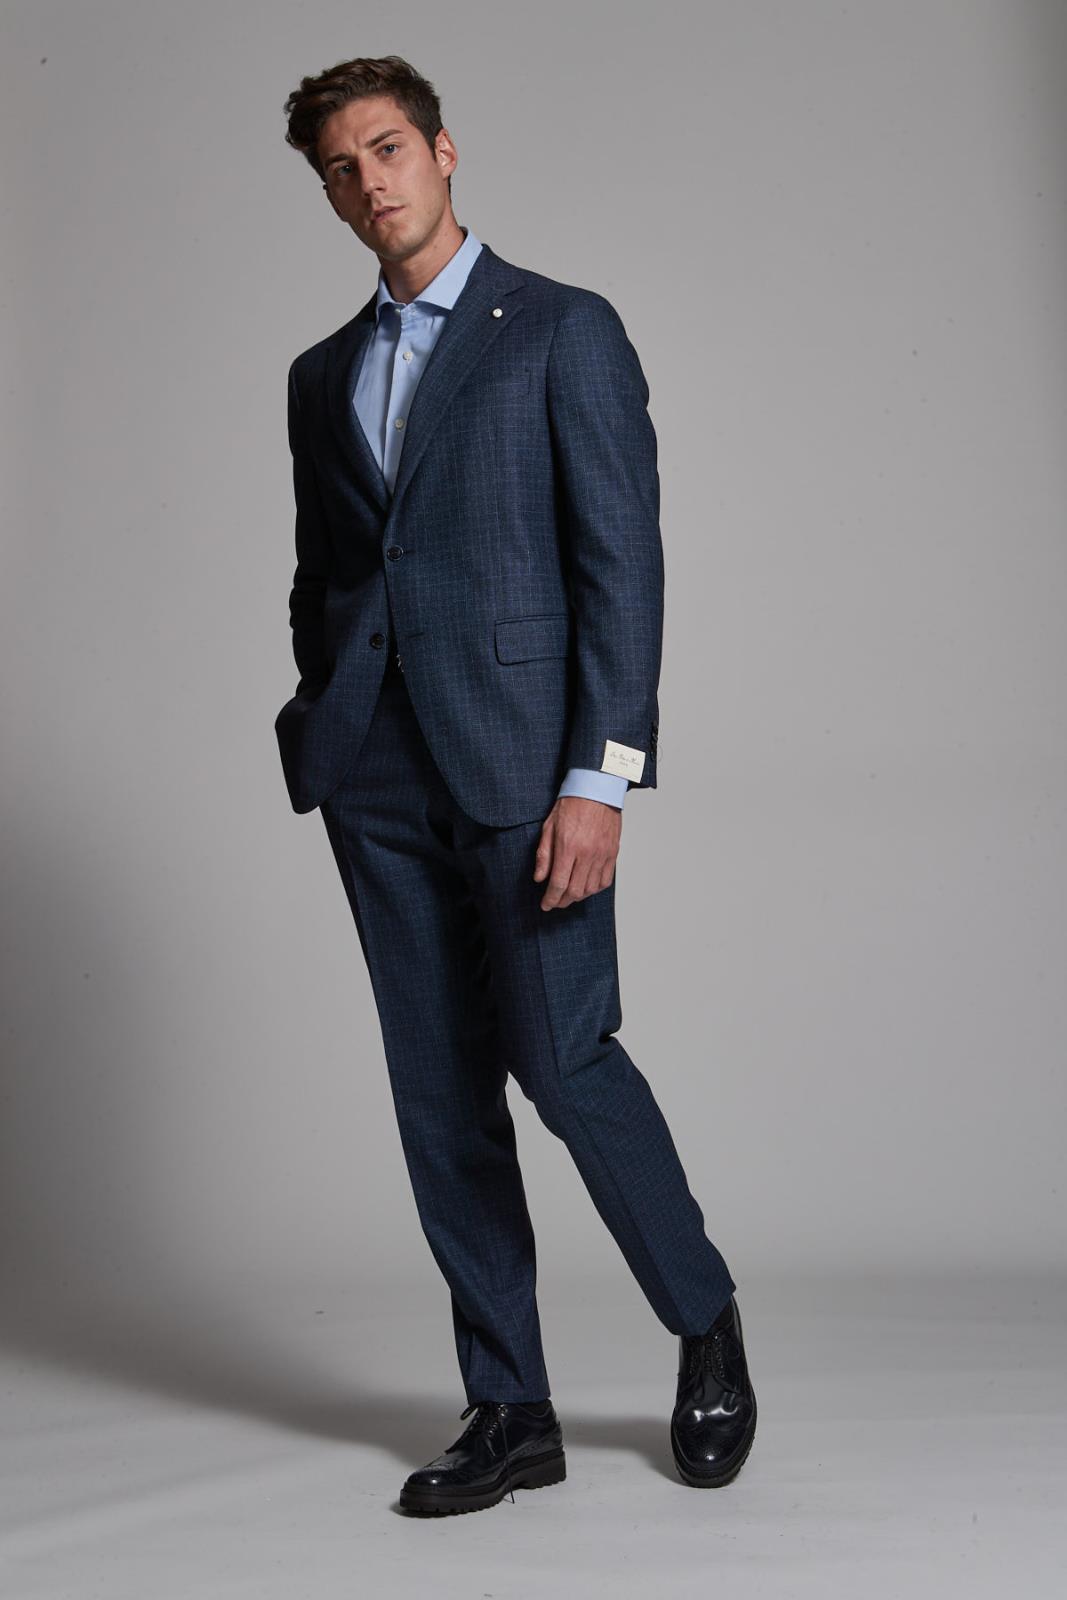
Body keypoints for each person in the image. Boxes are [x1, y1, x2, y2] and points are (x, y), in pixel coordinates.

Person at [276, 53, 756, 1515]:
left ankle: (704, 1320)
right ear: (330, 195)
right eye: (342, 168)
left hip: (529, 769)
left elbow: (623, 565)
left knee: (565, 1062)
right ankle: (509, 1407)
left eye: (388, 148)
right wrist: (324, 712)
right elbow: (329, 571)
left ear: (444, 151)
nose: (371, 182)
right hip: (377, 778)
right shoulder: (321, 375)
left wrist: (600, 779)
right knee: (439, 1097)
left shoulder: (561, 329)